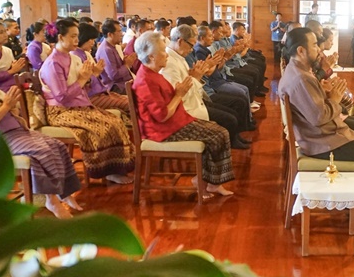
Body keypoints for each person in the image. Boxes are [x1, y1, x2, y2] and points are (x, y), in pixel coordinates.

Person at [0, 52, 83, 218]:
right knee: (42, 152)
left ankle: (64, 193)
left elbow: (8, 111)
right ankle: (51, 199)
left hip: (16, 133)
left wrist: (12, 108)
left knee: (57, 146)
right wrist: (7, 106)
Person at [281, 27, 354, 199]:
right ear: (301, 50)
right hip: (323, 142)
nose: (318, 49)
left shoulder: (297, 71)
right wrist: (334, 99)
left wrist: (326, 94)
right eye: (314, 45)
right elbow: (318, 117)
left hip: (321, 136)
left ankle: (352, 195)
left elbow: (313, 107)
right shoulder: (301, 79)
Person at [132, 31, 236, 196]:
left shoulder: (153, 73)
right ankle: (206, 181)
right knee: (219, 134)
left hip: (174, 121)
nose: (167, 55)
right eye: (163, 52)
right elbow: (162, 115)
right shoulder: (146, 80)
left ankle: (209, 182)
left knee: (217, 129)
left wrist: (186, 84)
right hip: (162, 130)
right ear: (151, 57)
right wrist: (179, 94)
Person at [39, 19, 134, 183]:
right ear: (60, 37)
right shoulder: (53, 64)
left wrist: (91, 76)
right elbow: (62, 97)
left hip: (79, 106)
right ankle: (105, 170)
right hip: (61, 111)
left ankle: (117, 167)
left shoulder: (72, 58)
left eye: (77, 36)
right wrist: (83, 79)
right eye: (73, 36)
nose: (77, 40)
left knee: (115, 121)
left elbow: (83, 88)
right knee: (102, 128)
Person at [164, 25, 251, 149]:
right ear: (180, 41)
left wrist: (198, 72)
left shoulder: (179, 56)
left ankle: (235, 138)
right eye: (191, 45)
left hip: (197, 98)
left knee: (232, 113)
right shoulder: (169, 61)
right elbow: (180, 92)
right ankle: (230, 144)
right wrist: (197, 76)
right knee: (230, 119)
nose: (192, 49)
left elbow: (188, 79)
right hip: (188, 107)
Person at [74, 22, 128, 114]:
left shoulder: (85, 53)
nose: (93, 42)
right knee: (130, 103)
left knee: (131, 100)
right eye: (91, 39)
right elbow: (81, 82)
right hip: (91, 95)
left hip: (100, 91)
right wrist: (94, 74)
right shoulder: (75, 56)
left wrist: (96, 73)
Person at [0, 20, 28, 92]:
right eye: (1, 32)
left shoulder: (7, 50)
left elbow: (13, 68)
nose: (5, 35)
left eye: (5, 31)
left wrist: (16, 66)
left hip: (14, 82)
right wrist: (11, 71)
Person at [95, 19, 137, 93]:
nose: (122, 34)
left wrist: (124, 62)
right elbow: (114, 76)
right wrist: (127, 65)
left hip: (124, 83)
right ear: (110, 35)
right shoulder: (106, 50)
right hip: (117, 87)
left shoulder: (112, 46)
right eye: (119, 31)